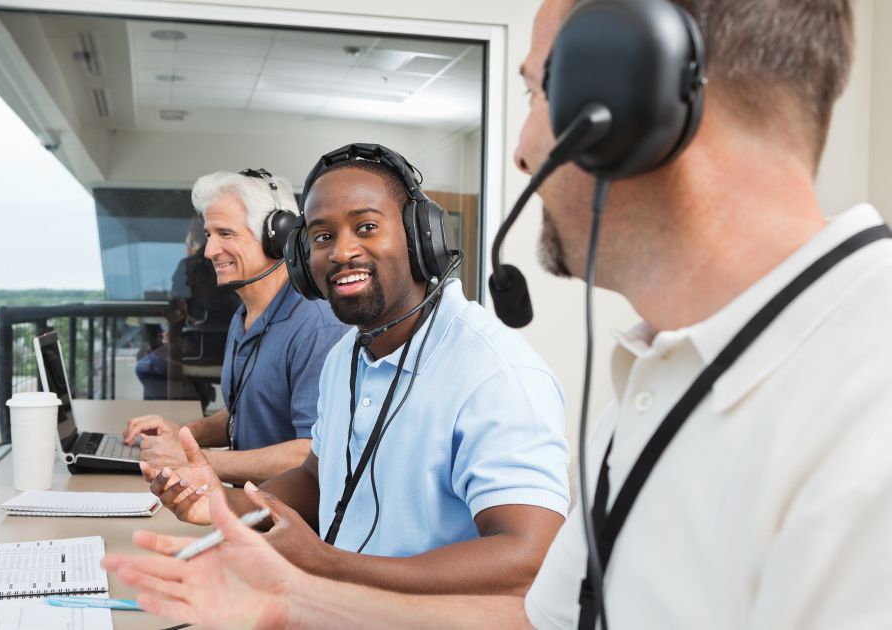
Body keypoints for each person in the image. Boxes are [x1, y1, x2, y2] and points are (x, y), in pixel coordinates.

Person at [103, 0, 892, 627]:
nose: (522, 147)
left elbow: (521, 562)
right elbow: (540, 619)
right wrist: (289, 600)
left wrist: (326, 572)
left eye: (540, 91)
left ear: (635, 96)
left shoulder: (863, 404)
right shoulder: (657, 375)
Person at [137, 145, 571, 595]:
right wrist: (221, 502)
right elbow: (315, 480)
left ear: (420, 237)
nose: (342, 251)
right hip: (338, 605)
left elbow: (528, 556)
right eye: (322, 237)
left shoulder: (495, 371)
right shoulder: (346, 354)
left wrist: (330, 565)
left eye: (366, 227)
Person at [123, 169, 347, 485]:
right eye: (209, 235)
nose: (209, 250)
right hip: (245, 508)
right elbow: (247, 410)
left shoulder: (317, 326)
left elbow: (310, 454)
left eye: (226, 234)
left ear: (278, 237)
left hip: (290, 525)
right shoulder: (244, 316)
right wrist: (184, 434)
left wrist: (196, 460)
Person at [134, 212, 242, 407]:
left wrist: (175, 333)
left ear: (194, 238)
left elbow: (174, 310)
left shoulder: (188, 268)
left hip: (199, 353)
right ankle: (197, 399)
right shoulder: (237, 266)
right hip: (234, 352)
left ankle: (189, 409)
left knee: (144, 365)